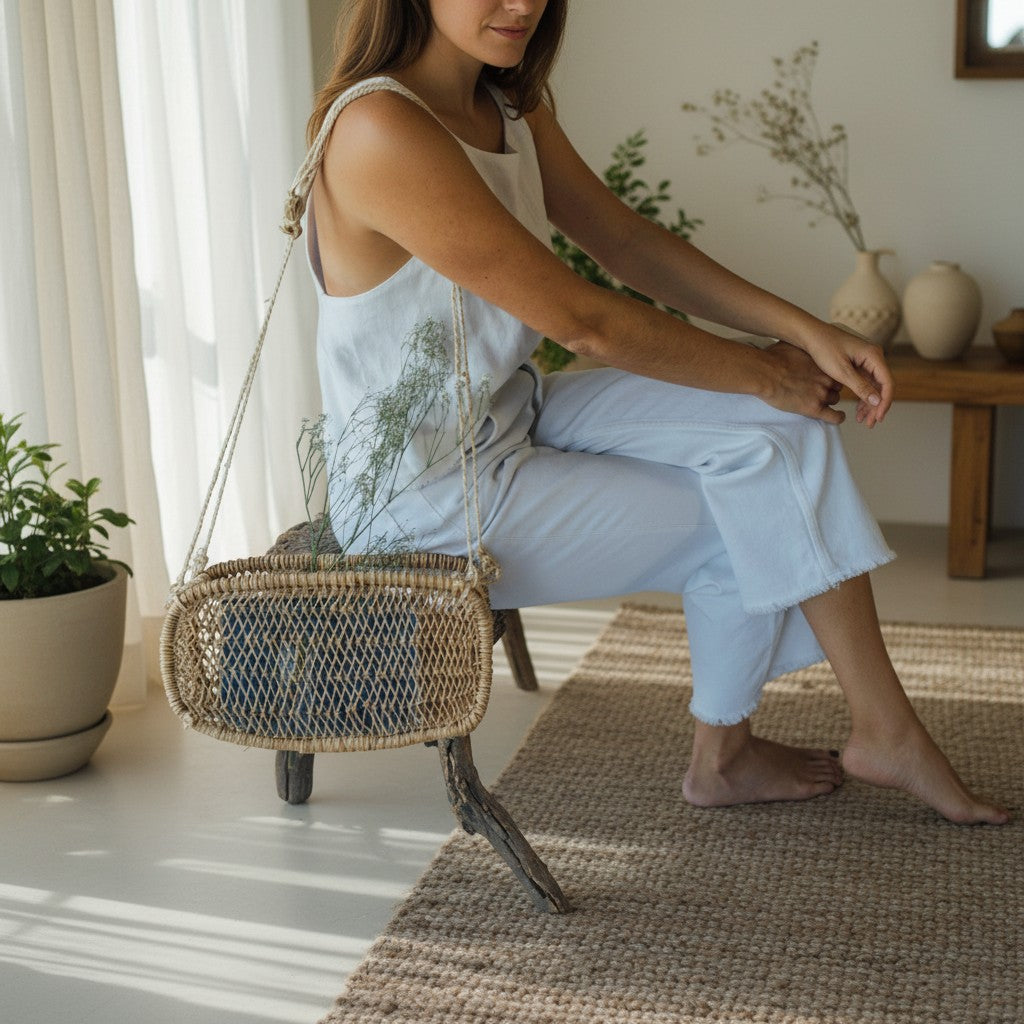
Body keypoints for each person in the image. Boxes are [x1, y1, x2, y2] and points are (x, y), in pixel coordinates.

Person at [302, 0, 1008, 825]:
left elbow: (626, 243)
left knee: (781, 432)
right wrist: (757, 372)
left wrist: (803, 331)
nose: (523, 4)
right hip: (424, 497)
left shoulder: (505, 103)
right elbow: (584, 320)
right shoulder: (379, 130)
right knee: (748, 503)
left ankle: (849, 734)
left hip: (510, 415)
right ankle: (767, 748)